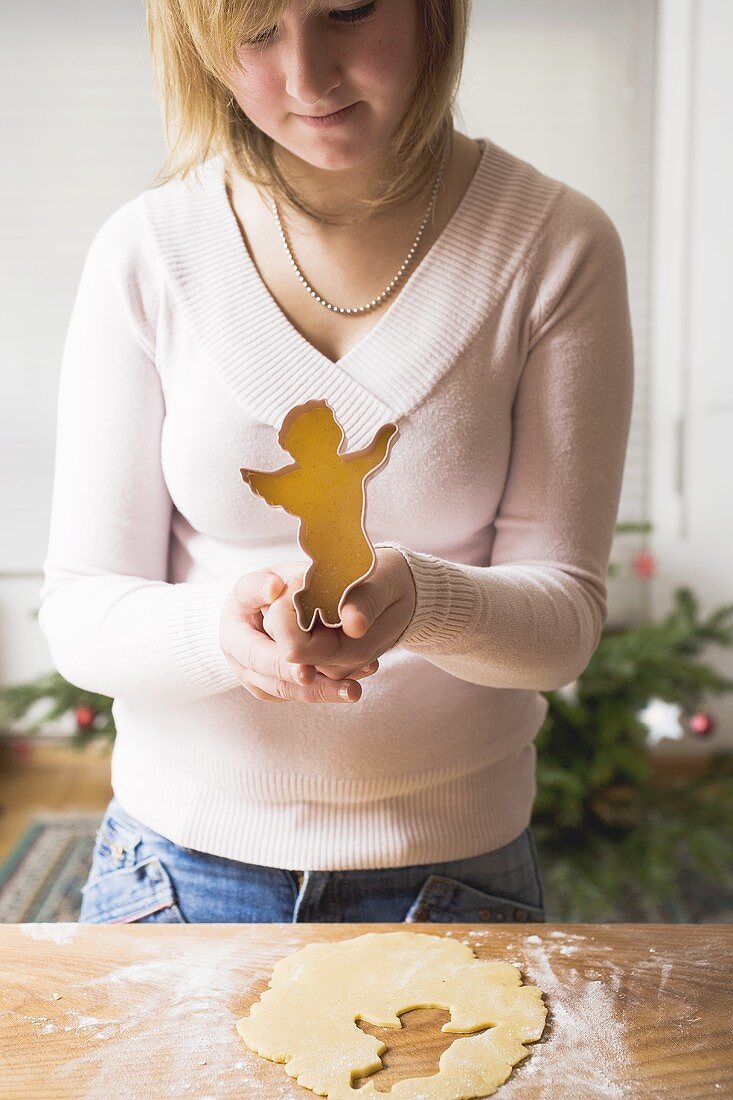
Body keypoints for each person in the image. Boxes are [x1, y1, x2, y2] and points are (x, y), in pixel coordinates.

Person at [39, 0, 634, 924]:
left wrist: (424, 599)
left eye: (347, 11)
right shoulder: (147, 251)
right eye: (257, 32)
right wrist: (221, 638)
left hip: (452, 878)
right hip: (174, 872)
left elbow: (562, 623)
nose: (307, 79)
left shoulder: (554, 245)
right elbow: (79, 610)